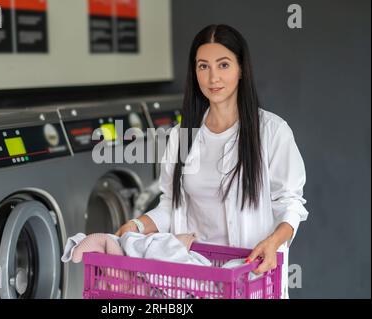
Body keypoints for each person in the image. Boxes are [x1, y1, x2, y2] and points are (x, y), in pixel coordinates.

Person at [115, 24, 309, 298]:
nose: (213, 77)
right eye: (203, 66)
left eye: (224, 65)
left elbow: (289, 203)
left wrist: (273, 242)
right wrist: (136, 225)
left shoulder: (271, 131)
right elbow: (171, 205)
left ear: (241, 69)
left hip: (250, 277)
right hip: (193, 280)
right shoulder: (182, 136)